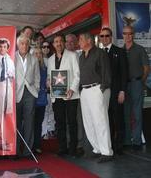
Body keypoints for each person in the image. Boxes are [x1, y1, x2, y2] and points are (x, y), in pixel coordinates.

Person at [78, 32, 113, 163]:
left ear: (89, 41)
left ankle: (107, 152)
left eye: (81, 39)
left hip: (97, 88)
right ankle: (97, 148)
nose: (79, 42)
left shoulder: (100, 53)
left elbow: (106, 73)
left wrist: (102, 89)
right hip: (85, 90)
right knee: (89, 122)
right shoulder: (81, 56)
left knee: (100, 121)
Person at [47, 34, 80, 156]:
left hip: (70, 95)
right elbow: (50, 76)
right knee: (59, 122)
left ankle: (73, 148)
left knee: (72, 122)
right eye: (56, 41)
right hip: (57, 95)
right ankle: (62, 147)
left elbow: (78, 74)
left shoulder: (73, 55)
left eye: (61, 41)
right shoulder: (50, 59)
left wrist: (72, 89)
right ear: (53, 44)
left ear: (64, 43)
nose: (58, 43)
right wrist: (48, 81)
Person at [99, 27, 128, 155]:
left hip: (117, 92)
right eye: (102, 36)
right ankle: (109, 145)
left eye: (107, 36)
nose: (104, 38)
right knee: (107, 119)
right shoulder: (98, 53)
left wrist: (122, 91)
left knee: (118, 118)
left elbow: (124, 73)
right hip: (103, 93)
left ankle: (119, 145)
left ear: (111, 37)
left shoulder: (119, 51)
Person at [123, 26, 149, 150]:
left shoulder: (140, 49)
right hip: (124, 86)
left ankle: (137, 141)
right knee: (126, 113)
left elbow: (146, 68)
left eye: (130, 33)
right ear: (123, 35)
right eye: (125, 34)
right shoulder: (121, 50)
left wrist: (140, 81)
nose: (127, 36)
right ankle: (128, 140)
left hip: (136, 83)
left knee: (137, 113)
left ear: (133, 35)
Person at [15, 35, 40, 158]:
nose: (24, 46)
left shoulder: (34, 59)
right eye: (22, 44)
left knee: (30, 122)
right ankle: (16, 150)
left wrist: (36, 89)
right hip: (15, 94)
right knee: (16, 123)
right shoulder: (11, 57)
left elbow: (37, 77)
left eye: (26, 44)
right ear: (18, 45)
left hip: (30, 93)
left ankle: (27, 151)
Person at [33, 47, 48, 154]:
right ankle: (29, 145)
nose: (38, 55)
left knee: (38, 123)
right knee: (29, 123)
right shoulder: (28, 67)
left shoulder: (45, 68)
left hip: (41, 98)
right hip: (31, 98)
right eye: (36, 53)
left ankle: (37, 145)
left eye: (39, 53)